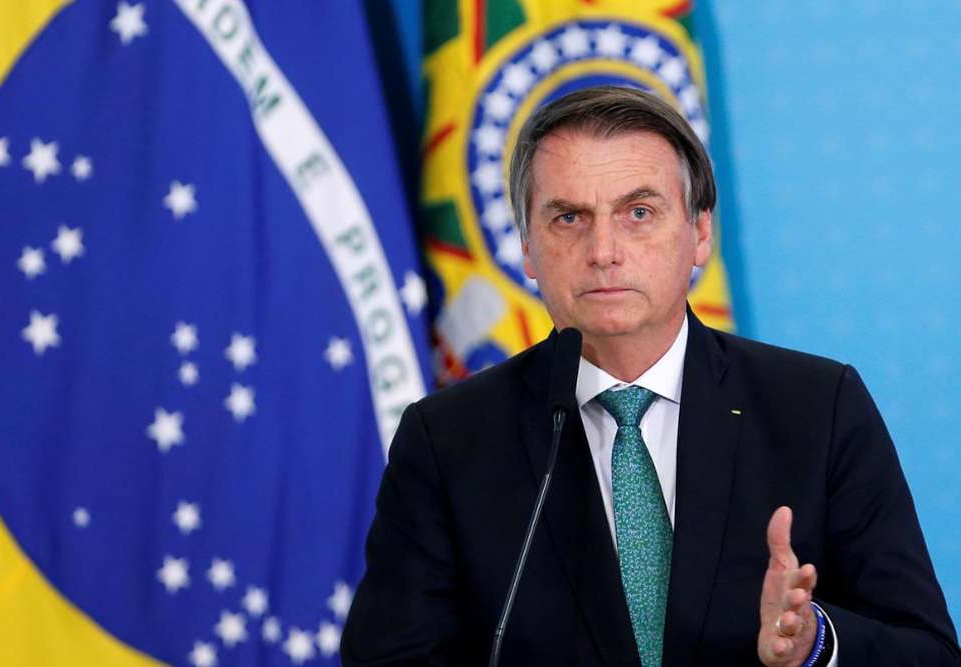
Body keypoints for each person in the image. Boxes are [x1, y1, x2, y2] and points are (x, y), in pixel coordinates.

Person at [340, 86, 960, 666]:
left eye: (638, 212)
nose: (603, 249)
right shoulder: (448, 440)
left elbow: (927, 651)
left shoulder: (816, 408)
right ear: (527, 247)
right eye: (568, 218)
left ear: (699, 232)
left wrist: (814, 643)